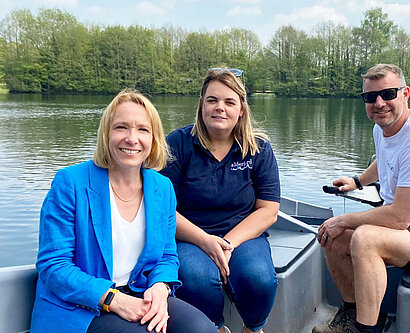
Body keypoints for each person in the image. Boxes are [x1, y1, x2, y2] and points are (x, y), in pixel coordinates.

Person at [30, 89, 217, 333]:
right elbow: (53, 265)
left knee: (201, 329)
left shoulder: (162, 188)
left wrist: (160, 288)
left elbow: (166, 256)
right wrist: (113, 300)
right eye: (121, 128)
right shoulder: (70, 182)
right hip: (80, 306)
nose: (132, 138)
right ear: (106, 134)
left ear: (154, 139)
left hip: (140, 292)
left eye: (142, 129)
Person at [313, 64, 410, 333]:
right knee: (333, 237)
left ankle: (367, 329)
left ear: (405, 93)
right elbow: (382, 161)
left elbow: (399, 218)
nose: (379, 103)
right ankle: (351, 316)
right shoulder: (383, 128)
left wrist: (344, 219)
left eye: (387, 94)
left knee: (365, 237)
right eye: (370, 97)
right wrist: (357, 181)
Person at [160, 68, 280, 333]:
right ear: (201, 104)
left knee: (259, 278)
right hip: (190, 236)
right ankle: (214, 328)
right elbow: (162, 208)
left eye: (229, 102)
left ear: (241, 109)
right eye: (212, 100)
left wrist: (227, 244)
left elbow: (269, 211)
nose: (219, 108)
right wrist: (205, 241)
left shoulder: (259, 148)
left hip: (243, 235)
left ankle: (252, 328)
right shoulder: (178, 144)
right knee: (194, 277)